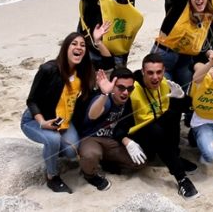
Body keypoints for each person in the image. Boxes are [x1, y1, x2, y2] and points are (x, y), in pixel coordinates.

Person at [21, 30, 101, 193]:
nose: (79, 47)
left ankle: (52, 150)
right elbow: (31, 100)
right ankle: (52, 177)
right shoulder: (48, 69)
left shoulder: (83, 72)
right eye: (74, 44)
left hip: (62, 121)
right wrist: (42, 122)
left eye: (83, 45)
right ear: (65, 48)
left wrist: (98, 41)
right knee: (53, 139)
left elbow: (108, 62)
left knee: (71, 152)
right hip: (35, 120)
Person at [112, 53, 200, 200]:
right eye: (150, 73)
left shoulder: (165, 84)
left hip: (158, 132)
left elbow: (189, 109)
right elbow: (118, 126)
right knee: (155, 129)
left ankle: (175, 157)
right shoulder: (132, 90)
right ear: (142, 72)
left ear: (164, 71)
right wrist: (127, 141)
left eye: (159, 72)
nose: (155, 77)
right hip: (140, 137)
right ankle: (181, 178)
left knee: (173, 113)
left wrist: (182, 98)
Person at [142, 0, 213, 90]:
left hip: (185, 59)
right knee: (163, 91)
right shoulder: (181, 4)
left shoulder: (209, 16)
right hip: (164, 55)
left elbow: (203, 43)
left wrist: (209, 53)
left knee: (184, 92)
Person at [78, 67, 144, 191]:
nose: (125, 92)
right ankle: (89, 175)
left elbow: (123, 126)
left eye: (130, 89)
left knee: (138, 162)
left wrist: (127, 141)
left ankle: (105, 162)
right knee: (91, 155)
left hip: (111, 140)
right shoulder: (105, 99)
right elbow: (93, 114)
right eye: (121, 87)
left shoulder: (127, 102)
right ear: (112, 86)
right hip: (91, 138)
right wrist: (104, 94)